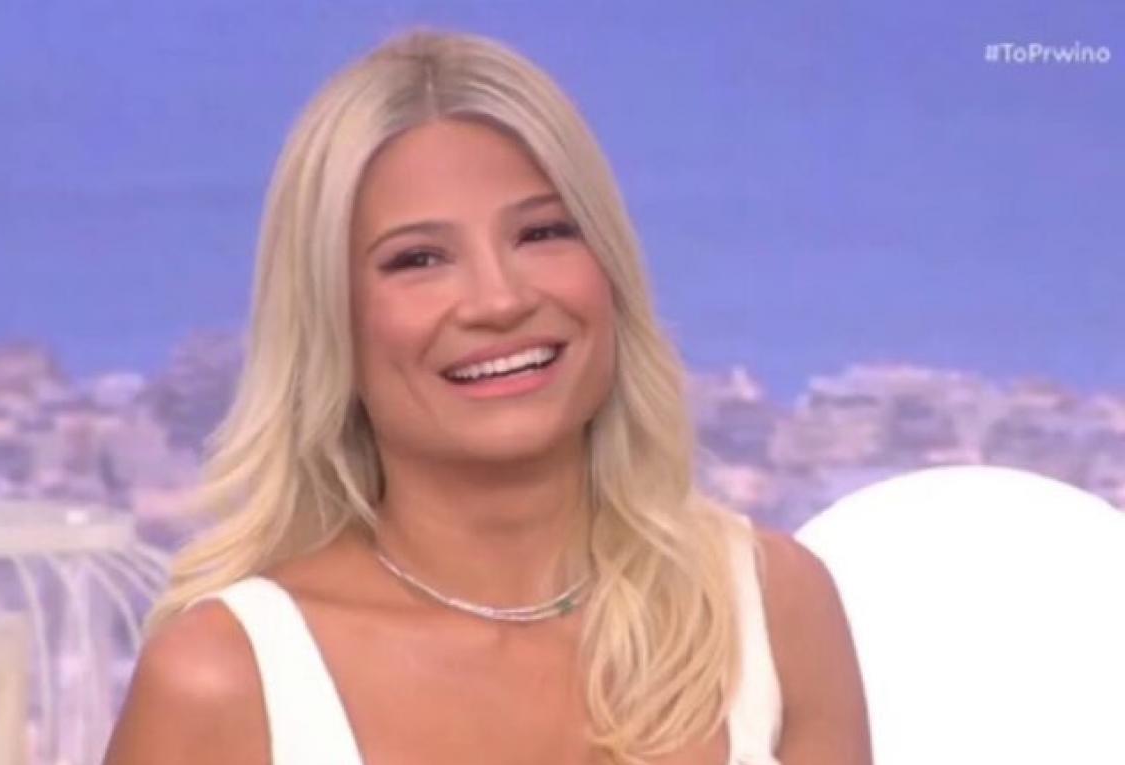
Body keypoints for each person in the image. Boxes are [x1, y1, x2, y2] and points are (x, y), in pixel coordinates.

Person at [103, 28, 870, 765]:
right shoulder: (224, 679)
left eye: (541, 233)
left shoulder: (773, 607)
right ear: (329, 320)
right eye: (418, 259)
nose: (500, 300)